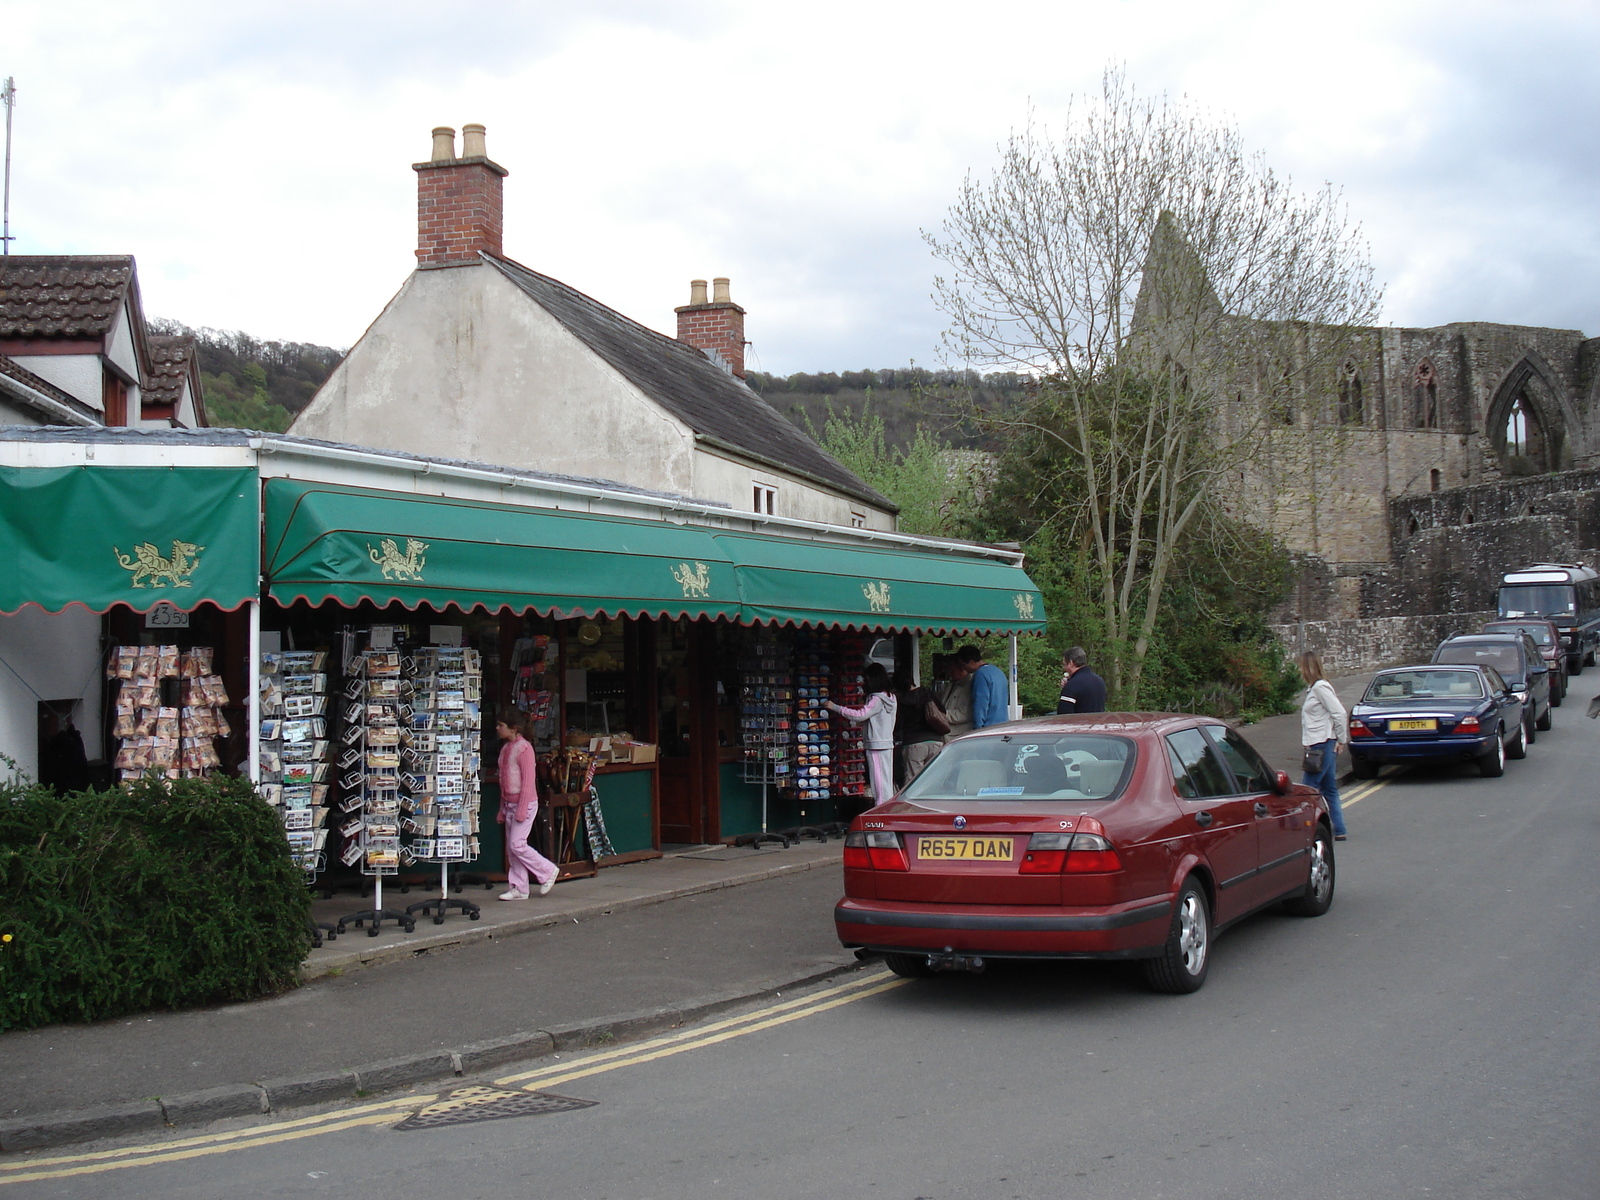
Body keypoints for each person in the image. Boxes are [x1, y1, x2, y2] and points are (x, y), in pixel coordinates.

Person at [496, 711, 559, 900]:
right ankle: (519, 887)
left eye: (501, 725)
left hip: (525, 803)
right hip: (509, 804)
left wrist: (522, 808)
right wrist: (502, 808)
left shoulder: (524, 749)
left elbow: (528, 782)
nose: (498, 728)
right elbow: (503, 781)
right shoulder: (506, 748)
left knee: (518, 844)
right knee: (511, 848)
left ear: (513, 728)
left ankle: (548, 870)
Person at [827, 663, 899, 804]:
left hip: (876, 744)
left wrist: (835, 707)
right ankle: (886, 807)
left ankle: (881, 811)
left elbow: (861, 715)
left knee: (878, 782)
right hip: (886, 742)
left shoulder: (876, 699)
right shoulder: (891, 697)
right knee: (885, 780)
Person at [1298, 651, 1349, 842]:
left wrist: (1341, 739)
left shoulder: (1320, 688)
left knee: (1308, 789)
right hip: (1320, 743)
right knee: (1329, 788)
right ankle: (1340, 829)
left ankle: (1306, 831)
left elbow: (1339, 713)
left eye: (1301, 666)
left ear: (1308, 667)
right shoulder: (1315, 688)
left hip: (1321, 744)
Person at [893, 669, 948, 784]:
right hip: (935, 740)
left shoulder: (900, 700)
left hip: (914, 743)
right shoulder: (927, 693)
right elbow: (942, 711)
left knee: (913, 782)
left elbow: (898, 724)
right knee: (935, 780)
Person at [957, 645, 1010, 729]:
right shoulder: (998, 672)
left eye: (963, 665)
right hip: (1003, 724)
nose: (963, 669)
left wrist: (977, 727)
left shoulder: (980, 675)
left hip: (988, 727)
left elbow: (980, 703)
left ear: (971, 662)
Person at [933, 655, 974, 741]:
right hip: (946, 734)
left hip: (959, 735)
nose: (948, 672)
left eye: (951, 669)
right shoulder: (951, 684)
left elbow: (965, 714)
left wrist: (942, 715)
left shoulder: (970, 685)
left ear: (961, 668)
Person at [1057, 646, 1107, 715]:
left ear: (1071, 663)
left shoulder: (1072, 686)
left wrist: (1067, 689)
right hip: (1096, 724)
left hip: (1078, 725)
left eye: (1064, 664)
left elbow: (1063, 716)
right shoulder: (1099, 681)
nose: (1064, 668)